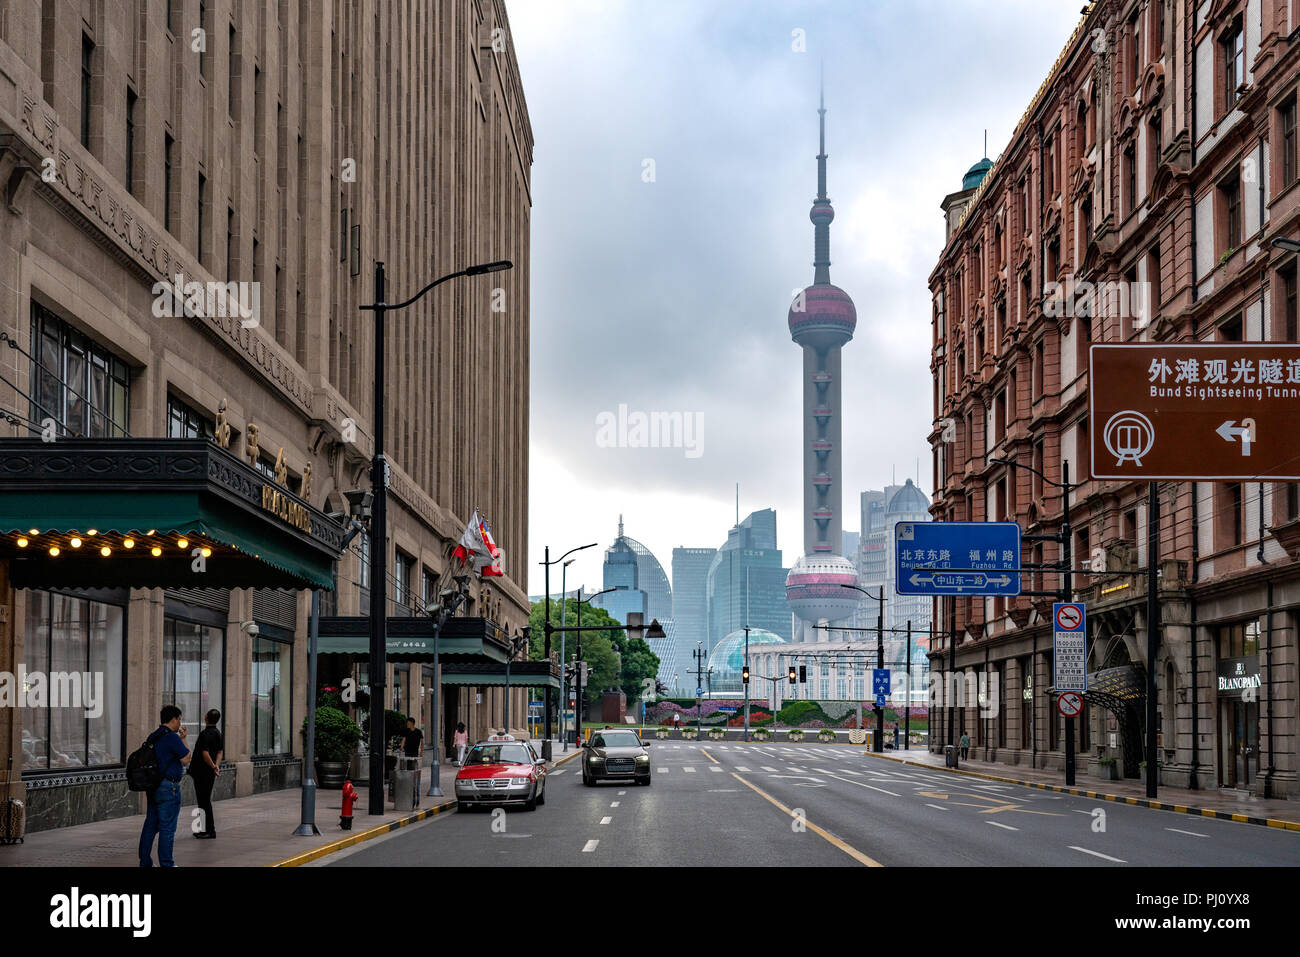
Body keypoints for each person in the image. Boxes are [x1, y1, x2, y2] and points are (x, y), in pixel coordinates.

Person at [139, 704, 191, 867]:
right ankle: (167, 864)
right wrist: (183, 739)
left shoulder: (153, 736)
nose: (180, 724)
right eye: (179, 720)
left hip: (153, 786)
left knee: (150, 825)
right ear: (174, 719)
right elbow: (186, 759)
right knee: (167, 828)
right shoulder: (172, 737)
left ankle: (145, 862)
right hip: (169, 788)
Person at [188, 709, 223, 840]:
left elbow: (205, 753)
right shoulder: (218, 733)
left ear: (206, 718)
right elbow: (219, 752)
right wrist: (216, 766)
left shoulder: (204, 734)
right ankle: (203, 830)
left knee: (203, 801)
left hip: (201, 772)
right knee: (204, 800)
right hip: (209, 772)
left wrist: (213, 766)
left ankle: (209, 830)